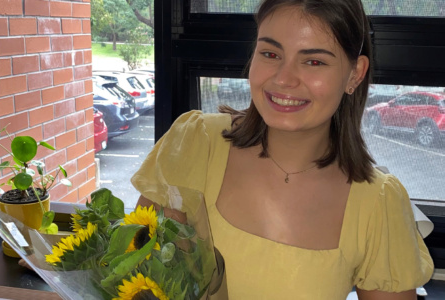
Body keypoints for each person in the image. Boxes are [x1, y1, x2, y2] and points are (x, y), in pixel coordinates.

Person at [131, 0, 434, 299]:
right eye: (270, 53)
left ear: (355, 73)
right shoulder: (195, 143)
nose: (283, 79)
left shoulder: (379, 203)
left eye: (314, 61)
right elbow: (136, 272)